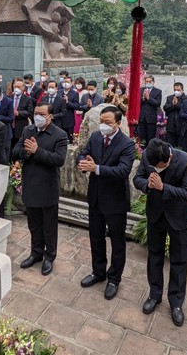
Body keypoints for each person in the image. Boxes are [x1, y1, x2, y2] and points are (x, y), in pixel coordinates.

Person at [133, 139, 187, 327]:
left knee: (179, 260)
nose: (157, 169)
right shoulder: (148, 156)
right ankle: (154, 294)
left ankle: (176, 302)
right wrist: (148, 185)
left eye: (160, 167)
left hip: (179, 217)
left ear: (169, 157)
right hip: (156, 214)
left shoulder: (185, 161)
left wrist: (162, 187)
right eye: (155, 167)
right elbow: (138, 179)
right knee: (154, 256)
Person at [76, 106, 135, 300]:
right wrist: (83, 162)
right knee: (96, 237)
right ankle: (98, 271)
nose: (103, 125)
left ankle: (114, 278)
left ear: (118, 123)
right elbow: (82, 153)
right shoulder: (95, 137)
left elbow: (123, 171)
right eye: (102, 121)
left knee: (117, 243)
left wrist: (97, 168)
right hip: (96, 197)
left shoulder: (126, 144)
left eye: (108, 122)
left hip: (115, 200)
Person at [12, 101, 68, 276]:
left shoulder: (59, 134)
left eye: (42, 114)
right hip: (30, 184)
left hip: (48, 186)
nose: (38, 117)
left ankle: (49, 256)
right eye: (36, 113)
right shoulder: (28, 131)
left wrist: (37, 151)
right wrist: (27, 152)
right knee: (34, 224)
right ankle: (36, 253)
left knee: (49, 226)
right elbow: (15, 152)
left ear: (50, 116)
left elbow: (59, 160)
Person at [10, 77, 34, 151]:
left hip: (20, 125)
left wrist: (19, 113)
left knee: (19, 146)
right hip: (10, 126)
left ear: (23, 88)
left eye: (19, 87)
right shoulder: (9, 97)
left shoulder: (27, 99)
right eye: (15, 86)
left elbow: (30, 112)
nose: (17, 88)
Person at [137, 75, 162, 146]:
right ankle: (141, 152)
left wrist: (148, 98)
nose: (148, 83)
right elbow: (137, 102)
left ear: (153, 82)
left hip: (151, 119)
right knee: (142, 138)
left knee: (150, 138)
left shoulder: (158, 91)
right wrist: (143, 99)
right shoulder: (141, 90)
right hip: (141, 118)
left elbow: (158, 103)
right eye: (146, 81)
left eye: (150, 81)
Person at [163, 82, 186, 148]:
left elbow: (184, 109)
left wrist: (177, 104)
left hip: (181, 126)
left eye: (178, 90)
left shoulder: (186, 99)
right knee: (170, 146)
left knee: (180, 147)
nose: (176, 92)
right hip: (171, 126)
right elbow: (165, 108)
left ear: (182, 90)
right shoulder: (170, 98)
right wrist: (172, 105)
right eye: (175, 90)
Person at [58, 76, 79, 142]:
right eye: (64, 82)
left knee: (69, 139)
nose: (65, 83)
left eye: (67, 82)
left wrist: (67, 102)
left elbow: (76, 106)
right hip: (59, 120)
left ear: (71, 83)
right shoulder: (59, 92)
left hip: (69, 121)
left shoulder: (74, 93)